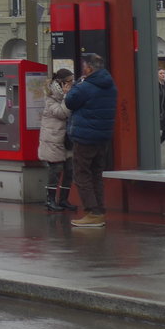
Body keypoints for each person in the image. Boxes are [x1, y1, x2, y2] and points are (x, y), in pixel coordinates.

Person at [64, 52, 117, 228]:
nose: (82, 68)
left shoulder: (86, 86)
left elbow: (70, 102)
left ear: (89, 67)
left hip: (85, 137)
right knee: (96, 174)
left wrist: (77, 84)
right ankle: (99, 211)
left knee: (81, 173)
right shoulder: (110, 85)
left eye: (84, 65)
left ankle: (92, 212)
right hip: (102, 137)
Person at [38, 68, 75, 211]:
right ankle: (50, 199)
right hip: (52, 138)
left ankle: (64, 199)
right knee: (56, 169)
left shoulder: (67, 95)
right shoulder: (50, 97)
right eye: (69, 82)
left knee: (69, 169)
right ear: (61, 82)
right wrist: (67, 97)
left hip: (65, 138)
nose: (72, 84)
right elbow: (62, 113)